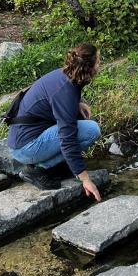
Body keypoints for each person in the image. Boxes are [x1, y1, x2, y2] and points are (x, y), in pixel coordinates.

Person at [7, 43, 102, 200]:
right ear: (89, 66)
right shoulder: (65, 90)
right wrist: (85, 179)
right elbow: (67, 138)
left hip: (26, 138)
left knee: (81, 125)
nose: (99, 64)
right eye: (98, 61)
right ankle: (37, 170)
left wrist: (77, 105)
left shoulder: (66, 75)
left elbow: (53, 100)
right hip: (24, 147)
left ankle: (55, 165)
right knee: (91, 131)